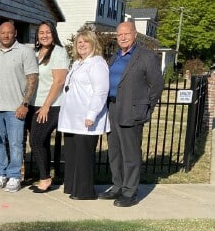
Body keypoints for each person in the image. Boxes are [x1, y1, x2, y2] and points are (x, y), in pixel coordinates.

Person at [99, 21, 164, 206]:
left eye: (127, 34)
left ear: (135, 34)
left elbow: (157, 85)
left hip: (131, 111)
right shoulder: (114, 57)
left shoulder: (146, 56)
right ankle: (117, 186)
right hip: (112, 108)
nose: (123, 37)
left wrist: (145, 106)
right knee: (114, 152)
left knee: (130, 154)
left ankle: (130, 192)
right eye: (119, 35)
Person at [0, 21, 38, 192]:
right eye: (3, 33)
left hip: (16, 107)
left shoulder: (25, 51)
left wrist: (25, 104)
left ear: (15, 33)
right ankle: (0, 173)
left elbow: (32, 79)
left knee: (16, 143)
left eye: (9, 32)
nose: (6, 35)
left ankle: (14, 176)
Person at [58, 30, 109, 200]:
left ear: (93, 43)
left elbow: (100, 91)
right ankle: (72, 186)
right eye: (79, 42)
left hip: (86, 118)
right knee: (72, 154)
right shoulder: (78, 63)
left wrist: (92, 114)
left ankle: (85, 191)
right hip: (72, 118)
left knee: (84, 155)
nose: (81, 45)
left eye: (85, 42)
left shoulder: (97, 63)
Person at [29, 21, 69, 193]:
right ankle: (44, 177)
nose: (44, 35)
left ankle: (45, 179)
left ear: (53, 34)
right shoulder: (36, 52)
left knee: (36, 141)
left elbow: (59, 81)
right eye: (41, 32)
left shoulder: (59, 52)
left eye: (48, 32)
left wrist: (46, 106)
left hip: (51, 105)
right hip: (35, 104)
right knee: (42, 142)